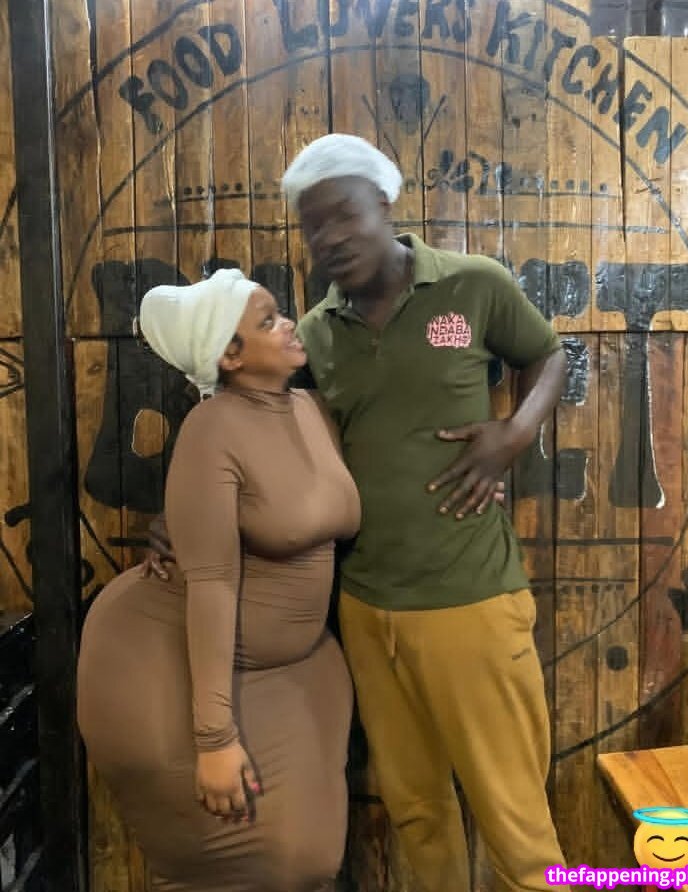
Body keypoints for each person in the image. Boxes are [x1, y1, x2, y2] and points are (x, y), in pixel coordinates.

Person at [281, 133, 570, 892]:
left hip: (470, 601)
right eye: (312, 227)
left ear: (384, 203)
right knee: (416, 815)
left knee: (518, 830)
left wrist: (514, 434)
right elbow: (271, 437)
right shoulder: (315, 334)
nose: (328, 238)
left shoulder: (472, 286)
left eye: (343, 214)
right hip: (365, 609)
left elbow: (549, 354)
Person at [76, 268, 361, 892]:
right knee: (238, 867)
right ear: (230, 356)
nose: (289, 325)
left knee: (309, 861)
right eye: (269, 321)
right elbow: (212, 585)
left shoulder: (311, 409)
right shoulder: (212, 430)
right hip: (193, 670)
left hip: (297, 669)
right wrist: (215, 739)